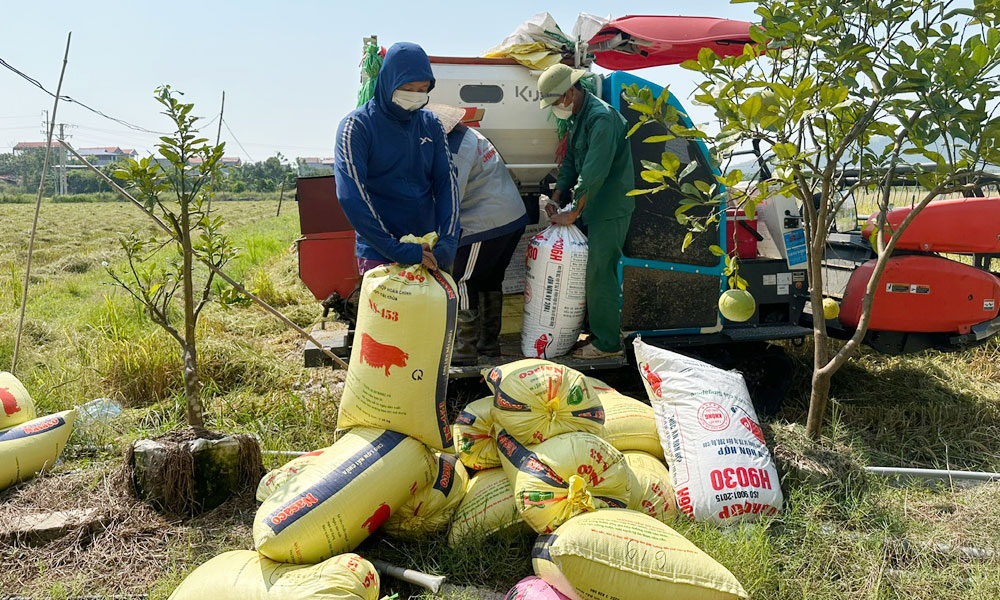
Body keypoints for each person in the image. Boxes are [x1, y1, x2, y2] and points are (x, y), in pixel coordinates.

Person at [334, 42, 460, 276]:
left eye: (423, 89)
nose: (416, 96)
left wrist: (448, 242)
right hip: (379, 251)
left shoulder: (431, 124)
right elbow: (351, 197)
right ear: (388, 81)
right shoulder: (357, 127)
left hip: (427, 249)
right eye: (408, 88)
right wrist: (397, 249)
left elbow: (446, 182)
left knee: (430, 313)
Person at [537, 63, 635, 358]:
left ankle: (607, 344)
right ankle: (596, 333)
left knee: (599, 273)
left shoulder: (601, 118)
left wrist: (574, 212)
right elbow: (570, 163)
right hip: (592, 206)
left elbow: (593, 173)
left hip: (609, 207)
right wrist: (555, 196)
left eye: (555, 102)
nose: (555, 108)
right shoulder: (578, 117)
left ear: (569, 92)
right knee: (588, 272)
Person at [426, 104, 529, 365]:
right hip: (511, 218)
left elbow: (451, 200)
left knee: (462, 280)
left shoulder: (456, 150)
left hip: (486, 222)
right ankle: (488, 346)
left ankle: (464, 350)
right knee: (490, 280)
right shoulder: (471, 135)